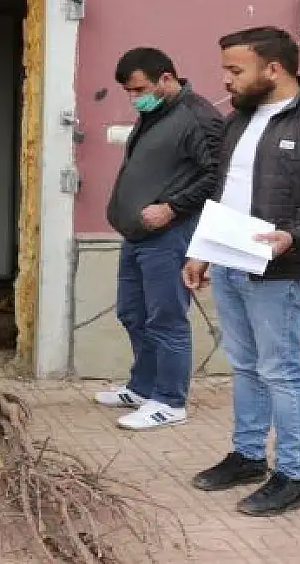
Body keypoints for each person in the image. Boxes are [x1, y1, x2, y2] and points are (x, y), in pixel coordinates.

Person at [183, 26, 300, 516]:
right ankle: (247, 456)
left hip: (278, 269)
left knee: (280, 372)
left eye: (234, 70)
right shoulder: (239, 120)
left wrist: (296, 235)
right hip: (229, 259)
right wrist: (202, 250)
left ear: (274, 69)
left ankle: (292, 476)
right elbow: (225, 191)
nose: (225, 79)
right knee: (244, 367)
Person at [95, 48, 222, 430]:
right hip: (137, 235)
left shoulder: (198, 118)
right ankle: (143, 386)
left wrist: (171, 207)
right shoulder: (155, 113)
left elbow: (216, 176)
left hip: (171, 233)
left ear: (167, 78)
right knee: (132, 313)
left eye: (140, 89)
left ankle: (169, 401)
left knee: (166, 318)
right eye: (129, 92)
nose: (134, 98)